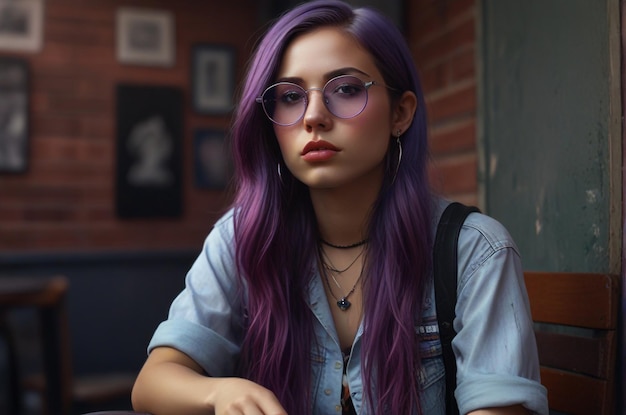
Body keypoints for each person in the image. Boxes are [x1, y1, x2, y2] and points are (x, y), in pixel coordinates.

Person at [131, 1, 548, 414]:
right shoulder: (243, 237)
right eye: (290, 96)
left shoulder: (474, 252)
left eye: (346, 89)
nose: (313, 116)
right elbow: (154, 381)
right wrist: (220, 393)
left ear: (400, 113)